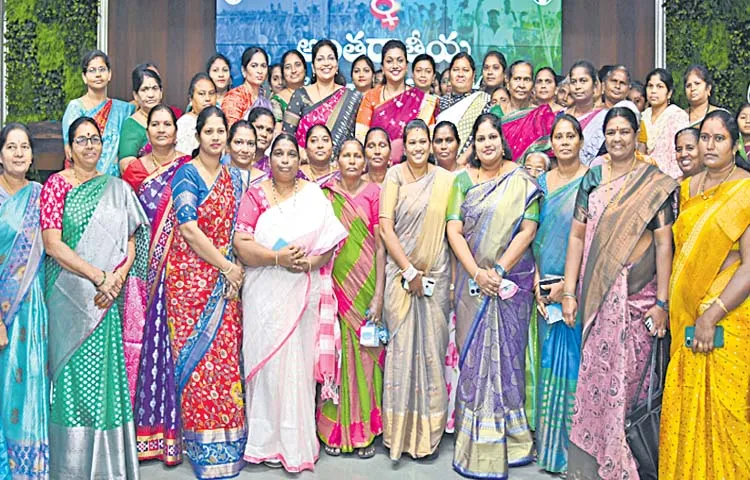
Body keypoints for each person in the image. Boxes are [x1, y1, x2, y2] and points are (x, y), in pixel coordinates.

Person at [561, 107, 678, 479]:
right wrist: (568, 291)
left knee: (629, 386)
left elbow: (664, 245)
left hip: (637, 298)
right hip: (596, 292)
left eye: (624, 131)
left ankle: (627, 464)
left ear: (636, 135)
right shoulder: (592, 177)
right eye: (611, 132)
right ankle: (595, 466)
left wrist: (662, 302)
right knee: (594, 382)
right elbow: (577, 236)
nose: (617, 139)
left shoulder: (653, 183)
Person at [41, 117, 149, 478]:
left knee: (105, 378)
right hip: (68, 297)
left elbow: (131, 240)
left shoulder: (117, 188)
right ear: (69, 149)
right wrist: (98, 276)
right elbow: (52, 244)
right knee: (70, 378)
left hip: (107, 301)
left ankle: (108, 466)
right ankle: (70, 466)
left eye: (95, 139)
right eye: (81, 140)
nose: (90, 145)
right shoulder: (56, 186)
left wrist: (115, 279)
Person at [234, 133, 347, 472]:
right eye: (278, 154)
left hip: (303, 289)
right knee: (267, 368)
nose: (284, 160)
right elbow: (241, 243)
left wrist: (312, 263)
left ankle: (296, 443)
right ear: (268, 159)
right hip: (265, 290)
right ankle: (264, 443)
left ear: (301, 161)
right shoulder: (255, 195)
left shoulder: (312, 195)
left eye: (290, 154)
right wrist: (276, 258)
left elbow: (330, 240)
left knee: (297, 367)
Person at [445, 113, 540, 478]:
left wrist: (498, 271)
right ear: (473, 144)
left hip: (510, 283)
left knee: (508, 362)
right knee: (474, 365)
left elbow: (528, 229)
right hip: (473, 286)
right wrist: (477, 273)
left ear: (502, 140)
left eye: (492, 137)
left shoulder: (522, 180)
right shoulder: (463, 181)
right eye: (480, 138)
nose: (487, 144)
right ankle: (477, 447)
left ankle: (513, 443)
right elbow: (454, 231)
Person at [659, 110, 750, 480]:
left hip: (726, 320)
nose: (709, 145)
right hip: (686, 321)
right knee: (686, 415)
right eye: (705, 138)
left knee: (725, 415)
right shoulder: (687, 187)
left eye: (719, 139)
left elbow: (748, 266)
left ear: (734, 144)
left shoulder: (745, 191)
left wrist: (711, 316)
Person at [167, 107, 246, 478]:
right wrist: (227, 266)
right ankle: (199, 447)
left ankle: (228, 445)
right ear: (197, 136)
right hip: (190, 285)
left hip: (225, 285)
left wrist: (233, 269)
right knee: (197, 367)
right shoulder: (187, 174)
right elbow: (189, 230)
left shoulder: (234, 178)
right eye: (209, 131)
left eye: (221, 131)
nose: (215, 137)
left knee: (225, 365)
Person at [119, 105, 191, 465]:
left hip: (179, 268)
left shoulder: (188, 167)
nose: (162, 129)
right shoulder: (133, 170)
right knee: (142, 346)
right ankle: (142, 436)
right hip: (141, 269)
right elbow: (125, 219)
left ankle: (175, 437)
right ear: (146, 131)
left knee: (174, 349)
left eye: (168, 124)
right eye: (155, 124)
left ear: (177, 131)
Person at [380, 119, 454, 461]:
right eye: (413, 142)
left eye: (425, 141)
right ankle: (399, 436)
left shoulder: (445, 181)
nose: (419, 147)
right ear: (404, 146)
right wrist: (408, 270)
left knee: (430, 355)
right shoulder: (393, 177)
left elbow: (452, 232)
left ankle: (428, 436)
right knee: (401, 354)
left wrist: (425, 274)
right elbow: (385, 226)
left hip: (436, 277)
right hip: (401, 275)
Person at [317, 139, 386, 459]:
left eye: (358, 155)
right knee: (335, 358)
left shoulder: (375, 193)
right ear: (337, 159)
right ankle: (334, 430)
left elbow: (381, 245)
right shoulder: (326, 195)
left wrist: (379, 295)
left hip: (368, 286)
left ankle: (364, 433)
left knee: (366, 359)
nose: (354, 160)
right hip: (334, 288)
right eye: (347, 155)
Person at [533, 115, 588, 476]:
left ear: (582, 141)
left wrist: (570, 288)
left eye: (571, 136)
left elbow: (590, 239)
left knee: (576, 367)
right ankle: (549, 452)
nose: (565, 142)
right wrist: (539, 282)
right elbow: (532, 234)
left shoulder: (591, 181)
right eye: (559, 137)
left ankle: (575, 452)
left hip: (577, 288)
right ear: (551, 143)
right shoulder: (540, 183)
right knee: (547, 364)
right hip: (543, 285)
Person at [0, 123, 49, 479]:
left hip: (33, 307)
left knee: (30, 381)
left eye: (24, 147)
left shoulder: (41, 195)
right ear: (0, 154)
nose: (18, 153)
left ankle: (28, 468)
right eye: (11, 147)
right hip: (2, 310)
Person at [355, 40, 439, 165]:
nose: (395, 65)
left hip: (414, 168)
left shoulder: (422, 100)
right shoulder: (371, 97)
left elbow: (430, 140)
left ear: (406, 66)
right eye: (389, 61)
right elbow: (361, 139)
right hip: (377, 168)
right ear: (382, 68)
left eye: (400, 60)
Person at [283, 40, 362, 157]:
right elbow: (287, 139)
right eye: (320, 59)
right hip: (305, 167)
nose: (326, 63)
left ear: (337, 65)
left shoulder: (352, 98)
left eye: (330, 58)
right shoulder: (300, 95)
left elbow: (358, 139)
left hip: (341, 169)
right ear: (313, 67)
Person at [62, 50, 134, 177]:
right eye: (92, 70)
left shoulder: (122, 110)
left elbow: (141, 105)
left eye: (102, 69)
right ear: (84, 77)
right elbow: (70, 151)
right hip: (82, 179)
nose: (98, 75)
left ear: (109, 74)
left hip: (112, 181)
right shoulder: (75, 108)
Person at [500, 61, 557, 162]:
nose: (521, 85)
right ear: (508, 83)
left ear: (533, 85)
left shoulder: (542, 116)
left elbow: (550, 157)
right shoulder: (496, 112)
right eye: (517, 79)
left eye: (527, 79)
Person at [437, 53, 491, 157]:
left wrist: (462, 160)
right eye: (456, 70)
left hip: (473, 163)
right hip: (441, 162)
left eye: (465, 70)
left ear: (473, 74)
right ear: (450, 74)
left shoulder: (484, 100)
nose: (460, 74)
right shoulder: (440, 103)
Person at [640, 68, 689, 178]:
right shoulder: (641, 117)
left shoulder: (678, 117)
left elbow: (679, 153)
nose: (653, 91)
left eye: (659, 86)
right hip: (642, 178)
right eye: (650, 86)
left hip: (670, 178)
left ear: (669, 93)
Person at [118, 67, 164, 172]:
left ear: (161, 92)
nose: (151, 95)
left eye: (155, 88)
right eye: (144, 90)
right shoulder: (132, 125)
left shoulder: (169, 118)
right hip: (145, 184)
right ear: (135, 95)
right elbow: (126, 165)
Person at [566, 60, 609, 165]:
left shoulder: (605, 118)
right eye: (573, 81)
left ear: (594, 86)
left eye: (583, 81)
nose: (577, 86)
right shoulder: (560, 116)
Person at [223, 46, 273, 127]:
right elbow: (231, 131)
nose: (260, 71)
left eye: (263, 66)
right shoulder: (235, 96)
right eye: (254, 66)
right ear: (243, 70)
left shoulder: (264, 97)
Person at [176, 73, 217, 155]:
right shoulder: (184, 124)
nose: (208, 98)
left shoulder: (219, 120)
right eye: (201, 94)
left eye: (211, 93)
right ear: (191, 98)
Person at [228, 120, 267, 190]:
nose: (245, 150)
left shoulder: (264, 182)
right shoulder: (219, 177)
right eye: (239, 142)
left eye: (250, 144)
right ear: (227, 146)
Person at [271, 50, 307, 122]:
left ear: (305, 69)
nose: (293, 70)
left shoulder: (315, 93)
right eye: (288, 67)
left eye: (297, 65)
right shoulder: (277, 101)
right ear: (283, 73)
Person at [247, 107, 276, 173]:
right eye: (260, 128)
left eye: (269, 130)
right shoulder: (231, 162)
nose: (264, 134)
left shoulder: (273, 169)